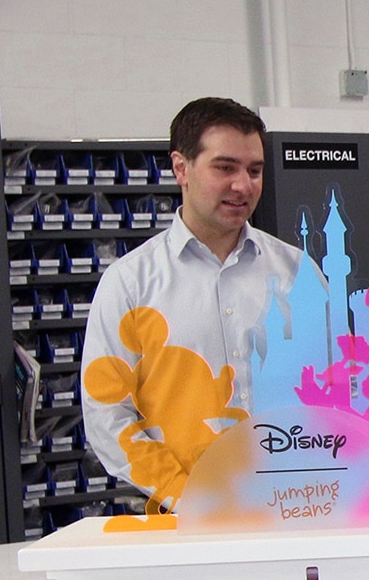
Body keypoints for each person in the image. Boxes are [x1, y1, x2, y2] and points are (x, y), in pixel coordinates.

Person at [82, 96, 305, 510]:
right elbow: (107, 415)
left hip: (295, 506)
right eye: (225, 168)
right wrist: (188, 498)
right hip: (182, 519)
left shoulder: (299, 274)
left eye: (254, 171)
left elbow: (340, 388)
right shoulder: (130, 285)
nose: (243, 185)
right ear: (181, 167)